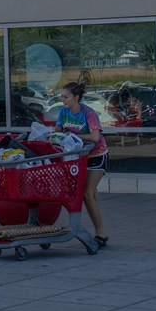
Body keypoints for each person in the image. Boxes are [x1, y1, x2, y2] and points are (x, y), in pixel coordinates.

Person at [54, 81, 109, 248]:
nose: (63, 100)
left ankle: (100, 234)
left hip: (96, 155)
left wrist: (74, 135)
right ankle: (100, 232)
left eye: (66, 97)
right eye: (62, 97)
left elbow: (94, 137)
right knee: (91, 196)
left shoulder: (88, 113)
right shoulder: (64, 111)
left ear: (76, 98)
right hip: (78, 156)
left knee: (87, 194)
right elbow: (57, 132)